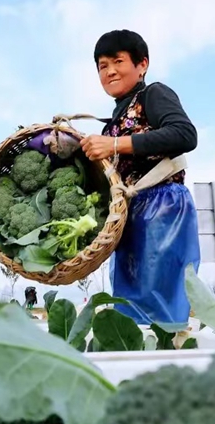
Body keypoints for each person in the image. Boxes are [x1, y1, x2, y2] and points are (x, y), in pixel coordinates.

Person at [80, 29, 200, 327]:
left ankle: (166, 361)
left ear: (142, 64)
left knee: (159, 308)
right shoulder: (113, 121)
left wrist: (116, 145)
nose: (109, 71)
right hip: (130, 216)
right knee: (130, 307)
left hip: (162, 208)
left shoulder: (153, 94)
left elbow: (184, 134)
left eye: (117, 61)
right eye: (102, 66)